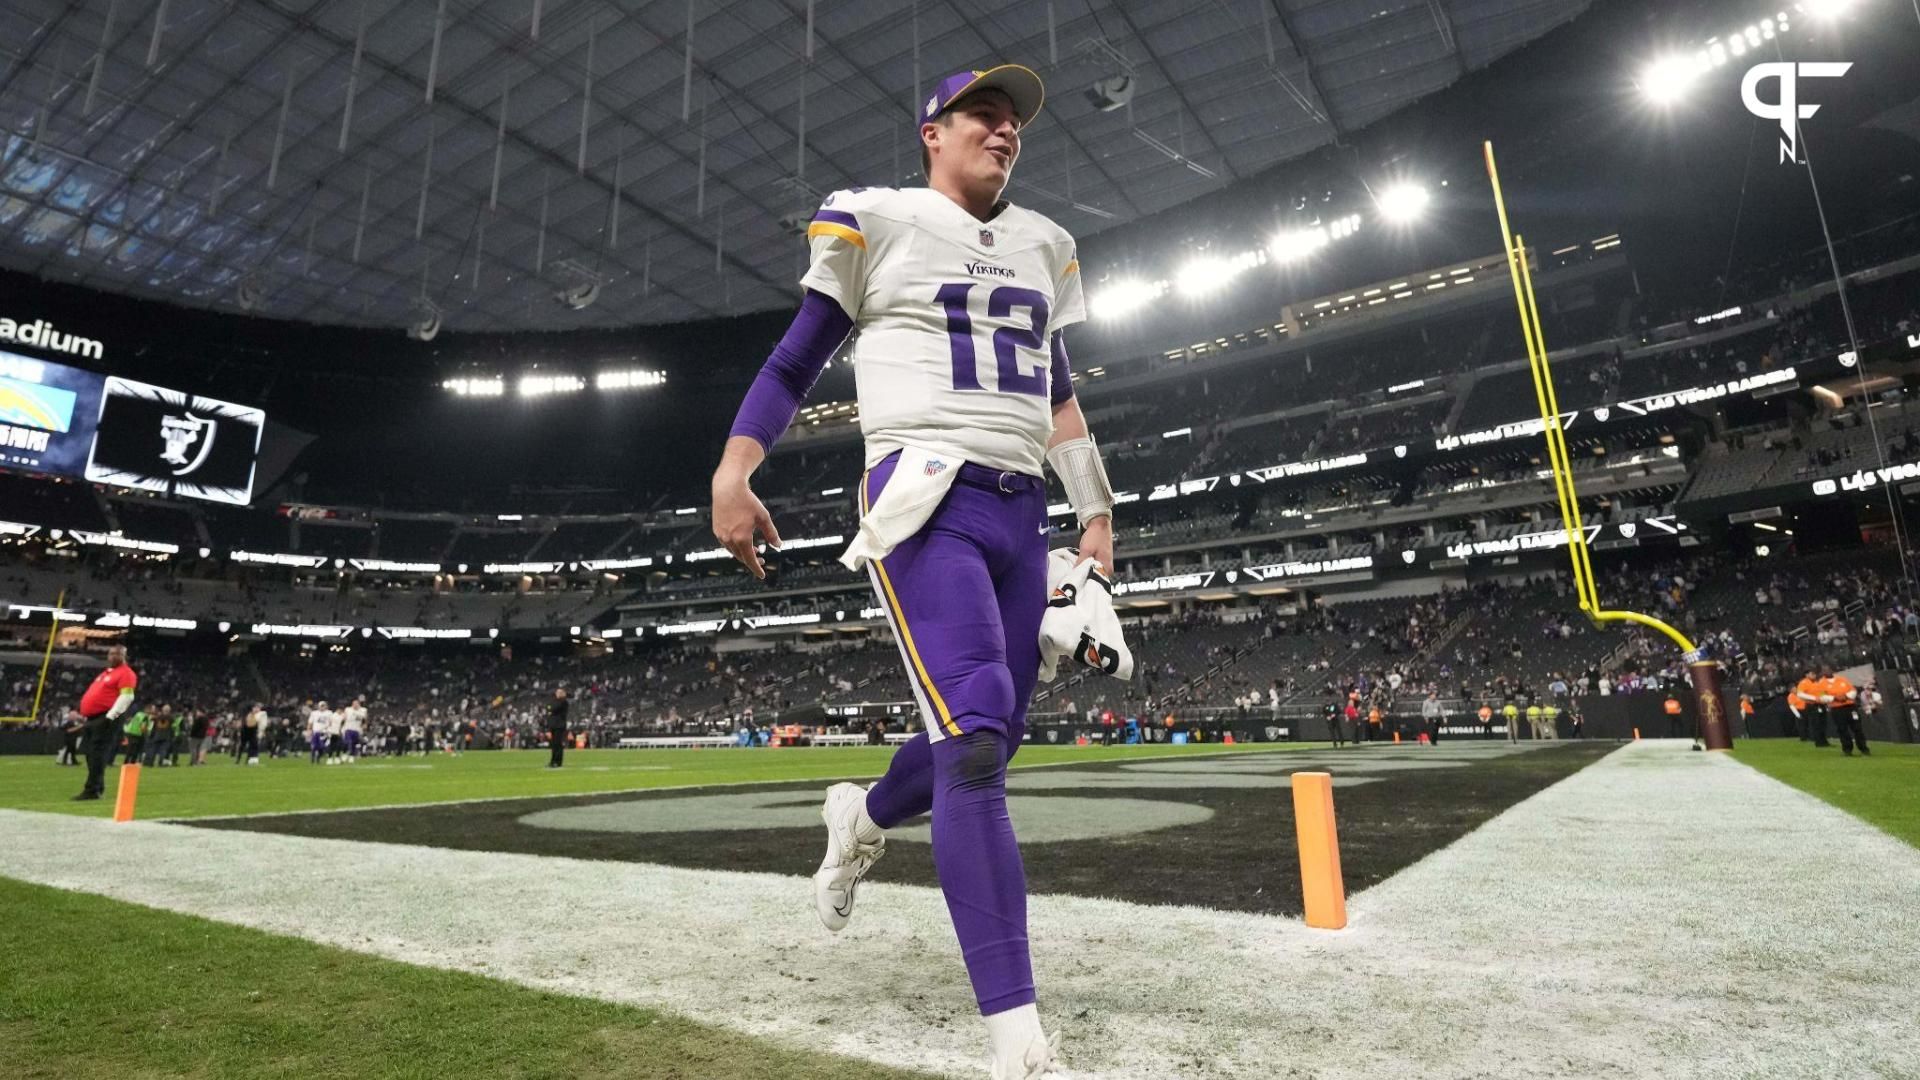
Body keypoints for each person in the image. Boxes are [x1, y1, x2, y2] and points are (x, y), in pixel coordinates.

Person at [710, 64, 1089, 1079]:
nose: (1003, 132)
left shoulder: (1045, 246)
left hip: (1021, 511)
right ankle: (1017, 1035)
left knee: (987, 742)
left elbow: (1059, 398)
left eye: (1012, 122)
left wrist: (1095, 513)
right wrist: (736, 467)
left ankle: (863, 815)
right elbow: (796, 361)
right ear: (933, 131)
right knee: (971, 741)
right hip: (926, 497)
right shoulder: (876, 220)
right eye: (982, 116)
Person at [73, 645, 139, 802]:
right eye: (111, 653)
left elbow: (127, 697)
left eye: (118, 653)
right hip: (94, 718)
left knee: (97, 754)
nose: (113, 656)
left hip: (106, 717)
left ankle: (92, 789)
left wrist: (111, 716)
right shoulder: (107, 673)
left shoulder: (126, 673)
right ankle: (96, 787)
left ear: (124, 656)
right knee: (90, 754)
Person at [1820, 664, 1868, 756]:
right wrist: (1835, 698)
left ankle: (1864, 748)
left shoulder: (1842, 679)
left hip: (1850, 706)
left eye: (1828, 669)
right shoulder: (1821, 683)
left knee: (1857, 728)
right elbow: (1821, 696)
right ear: (1822, 672)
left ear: (1831, 669)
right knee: (1842, 729)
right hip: (1836, 708)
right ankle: (1847, 749)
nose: (1826, 671)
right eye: (1824, 670)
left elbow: (1853, 690)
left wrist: (1845, 696)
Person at [1795, 667, 1827, 746]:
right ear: (1806, 675)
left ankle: (1824, 740)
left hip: (1820, 704)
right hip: (1812, 704)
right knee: (1816, 723)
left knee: (1822, 723)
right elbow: (1800, 694)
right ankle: (1818, 742)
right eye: (1812, 674)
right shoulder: (1803, 683)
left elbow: (1821, 692)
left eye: (1814, 674)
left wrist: (1823, 698)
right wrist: (1814, 698)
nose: (1814, 675)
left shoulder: (1817, 683)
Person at [546, 687, 570, 768]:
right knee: (553, 745)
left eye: (560, 692)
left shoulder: (564, 702)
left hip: (559, 726)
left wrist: (551, 709)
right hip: (553, 725)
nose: (558, 693)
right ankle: (553, 761)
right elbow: (548, 707)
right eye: (557, 692)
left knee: (558, 744)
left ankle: (558, 762)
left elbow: (553, 708)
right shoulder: (555, 701)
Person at [341, 697, 368, 762]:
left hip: (357, 729)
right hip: (348, 728)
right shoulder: (348, 709)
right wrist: (341, 727)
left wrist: (365, 725)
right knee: (348, 742)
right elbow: (344, 718)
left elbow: (365, 719)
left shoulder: (363, 710)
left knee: (354, 743)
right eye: (354, 703)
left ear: (359, 704)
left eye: (356, 703)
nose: (355, 705)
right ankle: (345, 754)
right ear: (352, 704)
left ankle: (351, 756)